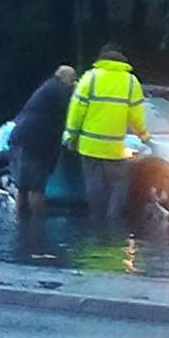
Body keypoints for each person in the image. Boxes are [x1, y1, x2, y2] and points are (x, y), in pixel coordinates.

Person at [63, 45, 150, 220]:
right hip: (115, 147)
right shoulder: (131, 82)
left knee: (94, 186)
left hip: (89, 146)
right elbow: (136, 114)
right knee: (118, 186)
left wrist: (70, 136)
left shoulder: (90, 78)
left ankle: (97, 221)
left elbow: (76, 110)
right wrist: (143, 135)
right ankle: (113, 223)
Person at [8, 64, 77, 218]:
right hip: (37, 142)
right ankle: (37, 226)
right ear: (63, 77)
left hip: (21, 137)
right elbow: (73, 113)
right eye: (72, 79)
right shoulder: (60, 91)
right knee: (36, 188)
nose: (74, 83)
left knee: (22, 186)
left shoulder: (48, 88)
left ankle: (20, 223)